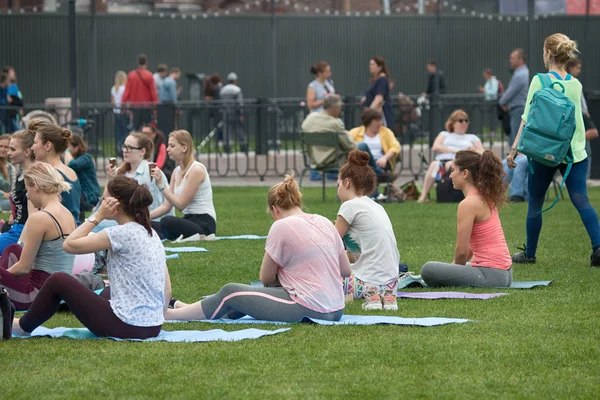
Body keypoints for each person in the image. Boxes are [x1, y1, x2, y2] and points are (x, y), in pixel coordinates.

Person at [166, 175, 350, 323]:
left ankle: (170, 315)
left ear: (274, 209)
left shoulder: (282, 226)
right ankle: (185, 307)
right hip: (336, 308)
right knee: (248, 296)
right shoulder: (324, 221)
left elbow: (265, 278)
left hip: (310, 308)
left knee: (232, 292)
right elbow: (345, 270)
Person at [13, 175, 171, 339]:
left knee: (58, 280)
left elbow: (69, 245)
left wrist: (98, 216)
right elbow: (167, 290)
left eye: (104, 200)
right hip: (153, 326)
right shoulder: (150, 233)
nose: (101, 204)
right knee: (105, 293)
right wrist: (155, 319)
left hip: (128, 326)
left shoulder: (120, 233)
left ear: (114, 205)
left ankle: (23, 326)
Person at [507, 33, 600, 267]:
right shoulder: (575, 84)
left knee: (536, 202)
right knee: (581, 200)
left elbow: (528, 117)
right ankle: (599, 248)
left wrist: (514, 148)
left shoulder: (539, 80)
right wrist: (577, 149)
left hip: (544, 151)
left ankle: (530, 253)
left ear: (548, 53)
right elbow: (577, 123)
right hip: (573, 154)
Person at [421, 150, 512, 288]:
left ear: (465, 173)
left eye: (453, 170)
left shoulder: (468, 204)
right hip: (505, 274)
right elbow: (470, 248)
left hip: (491, 275)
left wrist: (452, 273)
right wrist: (452, 270)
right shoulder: (485, 197)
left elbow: (461, 253)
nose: (450, 175)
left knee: (428, 269)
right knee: (443, 268)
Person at [0, 162, 76, 311]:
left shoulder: (40, 218)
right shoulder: (68, 214)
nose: (27, 195)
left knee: (13, 254)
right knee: (13, 249)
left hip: (35, 297)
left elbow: (23, 268)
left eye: (27, 189)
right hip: (55, 296)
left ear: (35, 185)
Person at [335, 150, 400, 310]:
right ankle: (383, 297)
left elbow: (330, 243)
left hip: (364, 282)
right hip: (391, 284)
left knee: (320, 277)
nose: (337, 190)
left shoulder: (349, 206)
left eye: (338, 185)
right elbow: (355, 254)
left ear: (347, 183)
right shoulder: (377, 206)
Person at [98, 132, 173, 236]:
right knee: (96, 223)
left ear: (142, 151)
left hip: (150, 222)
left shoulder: (151, 172)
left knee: (99, 226)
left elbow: (166, 205)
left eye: (129, 148)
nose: (124, 151)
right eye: (124, 147)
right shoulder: (121, 171)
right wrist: (109, 179)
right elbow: (107, 201)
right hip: (126, 220)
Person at [150, 130, 217, 240]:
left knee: (167, 221)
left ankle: (202, 235)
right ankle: (189, 237)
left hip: (204, 223)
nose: (167, 149)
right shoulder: (176, 172)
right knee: (148, 225)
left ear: (184, 148)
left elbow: (181, 205)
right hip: (188, 219)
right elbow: (166, 206)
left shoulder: (196, 170)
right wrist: (145, 217)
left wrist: (161, 185)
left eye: (172, 146)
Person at [417, 109, 483, 203]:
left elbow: (483, 153)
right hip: (442, 162)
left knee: (451, 164)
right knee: (434, 165)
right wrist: (456, 151)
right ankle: (423, 196)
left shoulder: (472, 138)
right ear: (453, 123)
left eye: (466, 121)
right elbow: (435, 147)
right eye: (460, 120)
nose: (464, 123)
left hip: (461, 163)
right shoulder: (445, 135)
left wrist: (473, 150)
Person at [29, 120, 82, 223]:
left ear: (48, 145)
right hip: (73, 230)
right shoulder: (70, 171)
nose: (32, 147)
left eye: (35, 142)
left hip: (60, 235)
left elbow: (41, 217)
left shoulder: (51, 175)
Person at [0, 129, 35, 252]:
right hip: (15, 228)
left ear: (27, 152)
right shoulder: (22, 172)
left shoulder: (31, 177)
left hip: (22, 233)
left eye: (13, 149)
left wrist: (21, 244)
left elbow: (33, 218)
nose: (8, 153)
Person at [301, 94, 355, 171]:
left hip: (313, 161)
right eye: (340, 107)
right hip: (334, 161)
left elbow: (303, 129)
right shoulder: (336, 123)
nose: (340, 110)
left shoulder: (310, 118)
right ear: (334, 108)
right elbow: (349, 146)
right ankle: (375, 175)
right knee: (363, 146)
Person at [348, 108, 400, 184]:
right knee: (363, 147)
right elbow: (347, 146)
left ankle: (376, 192)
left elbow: (395, 147)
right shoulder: (355, 132)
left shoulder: (386, 132)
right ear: (369, 121)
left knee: (366, 171)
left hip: (379, 162)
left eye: (380, 120)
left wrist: (384, 158)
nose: (380, 123)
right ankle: (379, 174)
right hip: (361, 163)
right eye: (377, 120)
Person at [566, 58, 598, 180]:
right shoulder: (572, 83)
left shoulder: (575, 82)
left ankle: (584, 177)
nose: (579, 71)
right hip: (578, 118)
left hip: (582, 117)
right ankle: (583, 177)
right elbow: (578, 102)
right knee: (584, 148)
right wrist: (585, 112)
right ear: (571, 67)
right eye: (577, 68)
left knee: (586, 148)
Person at [64, 134, 102, 218]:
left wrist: (67, 152)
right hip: (80, 193)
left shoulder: (86, 158)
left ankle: (93, 208)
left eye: (68, 147)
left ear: (77, 147)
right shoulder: (70, 159)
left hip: (90, 193)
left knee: (73, 197)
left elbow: (72, 165)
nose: (67, 150)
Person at [499, 49, 529, 147]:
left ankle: (515, 160)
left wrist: (501, 102)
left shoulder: (520, 75)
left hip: (517, 109)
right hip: (518, 107)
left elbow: (510, 92)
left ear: (520, 59)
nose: (510, 60)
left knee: (515, 138)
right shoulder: (523, 73)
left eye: (512, 58)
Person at [122, 54, 158, 131]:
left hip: (135, 106)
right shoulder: (149, 75)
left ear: (138, 62)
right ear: (146, 62)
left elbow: (127, 92)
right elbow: (153, 93)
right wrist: (155, 107)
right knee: (147, 128)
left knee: (136, 129)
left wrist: (123, 105)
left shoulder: (131, 75)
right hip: (147, 106)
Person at [361, 57, 394, 129]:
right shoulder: (375, 80)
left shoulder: (382, 80)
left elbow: (379, 98)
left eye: (373, 65)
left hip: (380, 115)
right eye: (370, 64)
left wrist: (369, 113)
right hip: (373, 116)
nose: (370, 67)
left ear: (379, 67)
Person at [219, 72, 246, 153]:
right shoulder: (237, 90)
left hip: (225, 113)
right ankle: (243, 146)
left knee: (227, 130)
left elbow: (220, 103)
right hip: (235, 113)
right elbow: (240, 103)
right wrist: (241, 113)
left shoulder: (223, 90)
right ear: (235, 80)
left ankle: (227, 147)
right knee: (239, 129)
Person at [111, 70, 129, 157]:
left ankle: (117, 145)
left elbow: (113, 102)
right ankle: (121, 145)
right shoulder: (124, 88)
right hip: (123, 111)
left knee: (118, 131)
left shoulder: (114, 88)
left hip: (116, 112)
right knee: (125, 131)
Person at [479, 68, 500, 137]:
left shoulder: (493, 82)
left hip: (492, 101)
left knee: (493, 117)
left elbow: (494, 92)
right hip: (488, 101)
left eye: (485, 74)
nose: (484, 75)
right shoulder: (488, 81)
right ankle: (491, 131)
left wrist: (484, 90)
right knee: (490, 117)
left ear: (488, 74)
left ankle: (493, 131)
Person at [0, 134, 16, 211]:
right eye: (0, 146)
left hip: (8, 199)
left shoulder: (11, 168)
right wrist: (4, 194)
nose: (3, 149)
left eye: (6, 147)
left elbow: (14, 187)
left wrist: (11, 194)